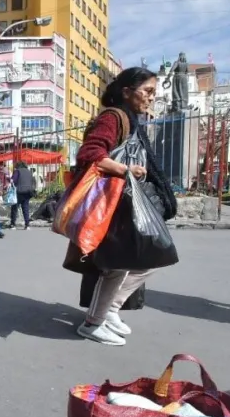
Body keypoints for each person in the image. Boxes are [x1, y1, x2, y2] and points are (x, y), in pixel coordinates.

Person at [65, 67, 178, 346]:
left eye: (154, 92)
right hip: (113, 204)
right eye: (147, 91)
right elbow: (90, 154)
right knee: (117, 265)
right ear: (127, 92)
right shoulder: (113, 117)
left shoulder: (131, 121)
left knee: (148, 259)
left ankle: (109, 311)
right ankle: (93, 323)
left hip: (125, 203)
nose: (151, 98)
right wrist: (125, 169)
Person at [9, 161, 36, 230]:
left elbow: (13, 180)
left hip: (19, 191)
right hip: (28, 192)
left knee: (14, 208)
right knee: (25, 208)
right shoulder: (29, 172)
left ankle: (13, 224)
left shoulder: (17, 171)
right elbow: (32, 181)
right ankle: (27, 225)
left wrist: (9, 179)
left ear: (18, 166)